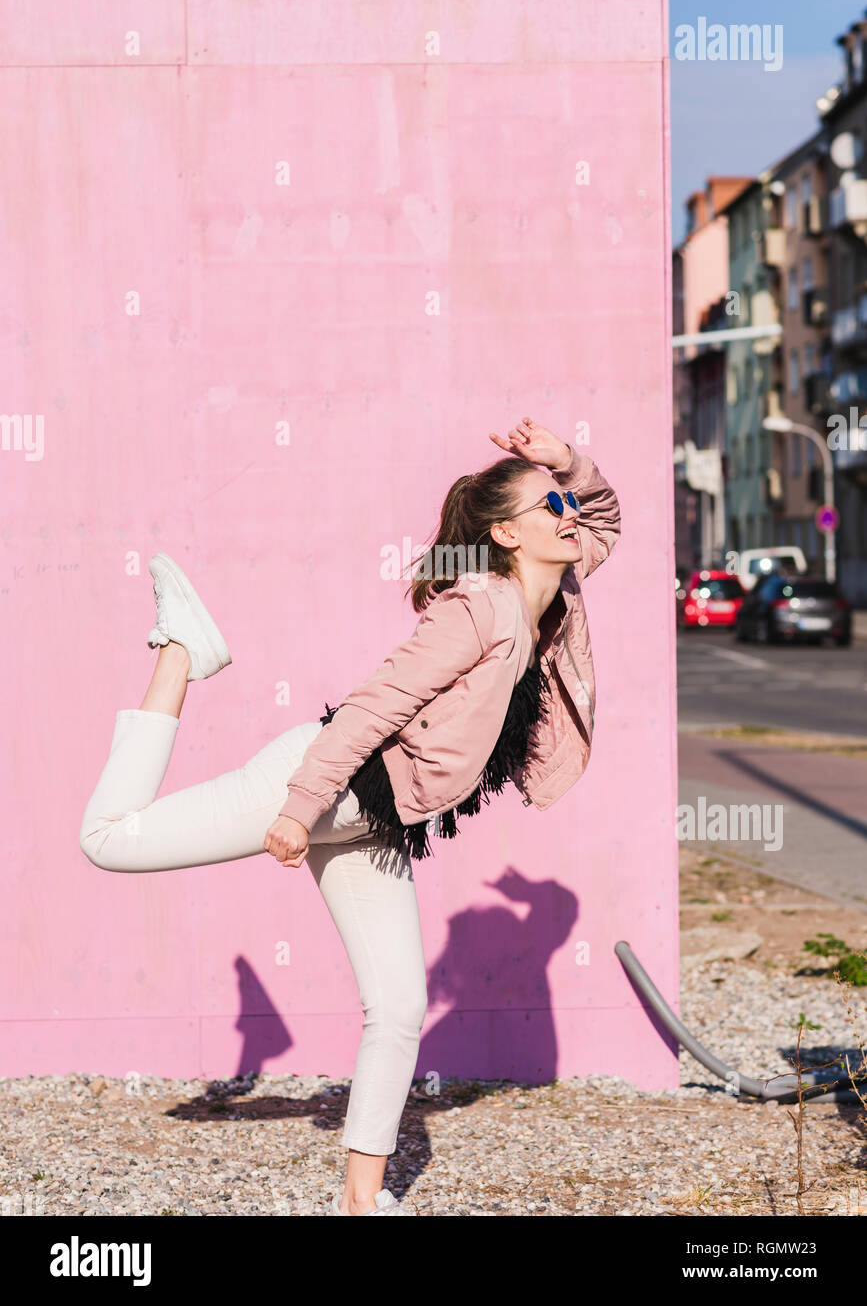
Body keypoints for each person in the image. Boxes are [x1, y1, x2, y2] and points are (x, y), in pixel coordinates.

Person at [79, 415, 621, 1216]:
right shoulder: (477, 607)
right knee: (107, 841)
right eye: (552, 506)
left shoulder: (556, 589)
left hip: (377, 820)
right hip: (326, 780)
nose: (569, 514)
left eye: (565, 503)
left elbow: (606, 514)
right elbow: (369, 709)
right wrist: (299, 810)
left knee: (398, 1009)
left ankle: (362, 1203)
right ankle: (181, 652)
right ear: (507, 533)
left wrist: (564, 463)